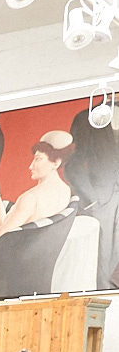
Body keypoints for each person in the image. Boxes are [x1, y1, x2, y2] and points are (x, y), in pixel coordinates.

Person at [68, 105, 119, 288]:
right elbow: (72, 163)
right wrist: (91, 198)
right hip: (100, 199)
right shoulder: (86, 118)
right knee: (102, 259)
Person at [0, 133, 73, 243]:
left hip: (17, 254)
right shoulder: (65, 190)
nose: (30, 166)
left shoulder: (30, 198)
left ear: (56, 163)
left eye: (38, 159)